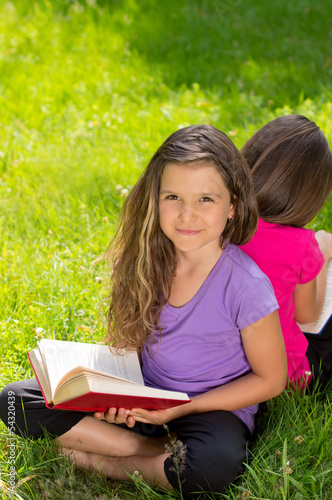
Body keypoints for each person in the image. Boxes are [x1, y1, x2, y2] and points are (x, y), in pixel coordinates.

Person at [0, 125, 287, 499]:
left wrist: (182, 410)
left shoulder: (246, 286)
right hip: (147, 397)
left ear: (232, 205)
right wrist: (115, 396)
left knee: (213, 467)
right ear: (154, 198)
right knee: (11, 401)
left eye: (205, 200)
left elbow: (271, 379)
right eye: (173, 197)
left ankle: (105, 460)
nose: (187, 215)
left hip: (210, 409)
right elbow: (129, 343)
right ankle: (145, 451)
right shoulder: (144, 261)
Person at [240, 114, 332, 390]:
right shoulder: (303, 246)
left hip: (229, 368)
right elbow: (307, 315)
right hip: (288, 374)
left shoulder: (222, 223)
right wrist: (324, 257)